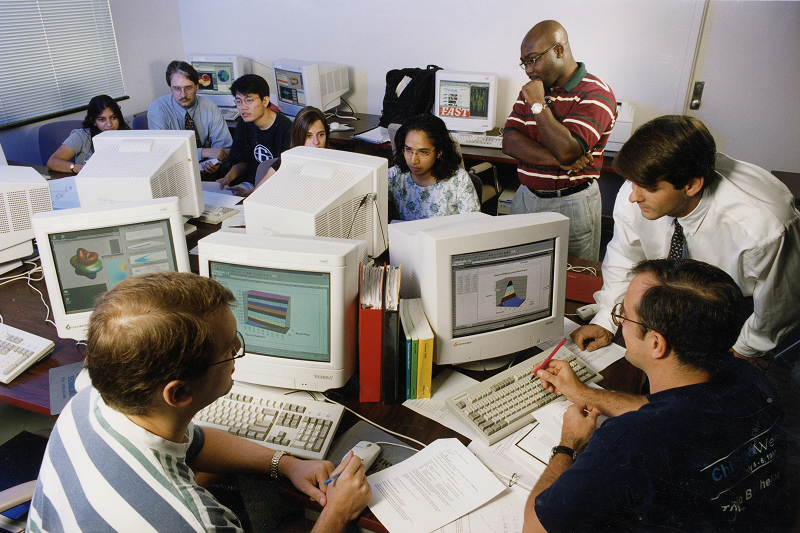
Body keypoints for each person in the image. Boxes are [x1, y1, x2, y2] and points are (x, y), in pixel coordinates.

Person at [28, 272, 371, 533]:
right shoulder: (197, 522)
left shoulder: (88, 403)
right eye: (228, 349)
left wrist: (287, 464)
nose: (237, 351)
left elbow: (194, 442)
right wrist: (337, 513)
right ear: (178, 394)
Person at [524, 258, 790, 532]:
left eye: (623, 315)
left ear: (655, 343)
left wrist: (568, 444)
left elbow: (534, 528)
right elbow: (671, 408)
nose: (619, 323)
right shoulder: (749, 376)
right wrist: (582, 393)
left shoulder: (628, 444)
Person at [571, 115, 800, 362]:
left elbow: (780, 303)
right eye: (633, 183)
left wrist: (747, 348)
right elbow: (624, 258)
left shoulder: (764, 227)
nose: (633, 197)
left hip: (737, 307)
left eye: (648, 187)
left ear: (691, 186)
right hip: (672, 295)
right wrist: (606, 319)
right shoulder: (638, 191)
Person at [502, 20, 617, 261]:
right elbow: (510, 141)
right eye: (524, 63)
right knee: (517, 272)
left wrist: (537, 104)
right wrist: (560, 162)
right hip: (525, 199)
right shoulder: (536, 88)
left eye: (533, 59)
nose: (528, 70)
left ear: (559, 51)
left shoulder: (596, 93)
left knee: (572, 280)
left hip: (570, 205)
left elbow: (567, 150)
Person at [148, 60, 233, 178]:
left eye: (188, 88)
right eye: (177, 88)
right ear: (170, 89)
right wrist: (203, 152)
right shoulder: (158, 108)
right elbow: (163, 152)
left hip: (209, 168)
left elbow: (224, 146)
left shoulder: (209, 106)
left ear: (196, 87)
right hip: (176, 171)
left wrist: (216, 161)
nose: (183, 95)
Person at [388, 113, 480, 221]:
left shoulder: (459, 179)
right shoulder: (394, 176)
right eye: (408, 150)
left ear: (439, 152)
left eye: (423, 152)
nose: (413, 161)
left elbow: (473, 225)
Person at [227, 106, 330, 197]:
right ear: (299, 136)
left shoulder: (337, 161)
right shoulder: (286, 160)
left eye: (321, 134)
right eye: (309, 136)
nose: (316, 142)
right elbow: (260, 191)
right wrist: (246, 192)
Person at [217, 74, 292, 189]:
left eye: (249, 100)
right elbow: (241, 162)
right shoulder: (244, 122)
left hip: (275, 188)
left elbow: (284, 172)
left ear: (265, 100)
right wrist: (227, 179)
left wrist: (252, 193)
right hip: (250, 185)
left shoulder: (285, 128)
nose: (243, 107)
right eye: (239, 101)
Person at [46, 94, 130, 174]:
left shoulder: (128, 134)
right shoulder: (82, 136)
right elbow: (52, 162)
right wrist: (79, 168)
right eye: (102, 119)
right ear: (93, 121)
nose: (109, 124)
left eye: (113, 117)